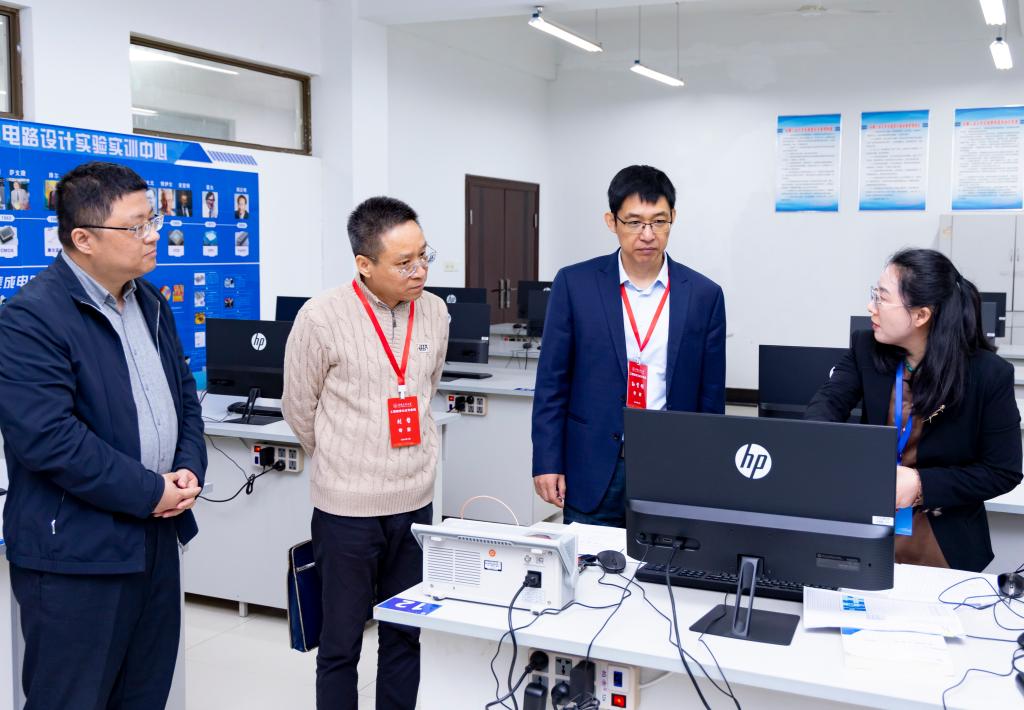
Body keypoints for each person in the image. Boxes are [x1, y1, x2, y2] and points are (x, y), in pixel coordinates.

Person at [0, 161, 206, 708]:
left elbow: (184, 397)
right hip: (76, 554)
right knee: (73, 698)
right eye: (136, 226)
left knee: (145, 692)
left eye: (153, 220)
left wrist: (189, 467)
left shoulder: (150, 301)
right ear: (83, 239)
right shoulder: (30, 318)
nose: (153, 234)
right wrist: (151, 491)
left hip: (155, 540)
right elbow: (50, 439)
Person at [282, 196, 448, 710]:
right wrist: (342, 458)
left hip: (415, 501)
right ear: (364, 264)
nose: (420, 271)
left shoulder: (435, 312)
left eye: (424, 256)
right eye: (404, 262)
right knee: (341, 641)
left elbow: (426, 387)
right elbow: (299, 406)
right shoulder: (320, 317)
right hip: (347, 510)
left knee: (405, 634)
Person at [531, 165, 726, 527]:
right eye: (634, 222)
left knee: (667, 558)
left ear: (673, 218)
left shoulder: (704, 295)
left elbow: (710, 397)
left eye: (659, 222)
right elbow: (551, 384)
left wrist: (708, 470)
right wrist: (546, 460)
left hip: (672, 464)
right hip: (592, 464)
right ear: (612, 221)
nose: (647, 234)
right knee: (588, 560)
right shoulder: (575, 284)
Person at [805, 248, 1022, 572]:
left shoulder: (987, 374)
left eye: (882, 298)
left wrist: (920, 484)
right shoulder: (865, 348)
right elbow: (825, 407)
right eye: (874, 294)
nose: (871, 307)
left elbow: (1002, 471)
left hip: (943, 543)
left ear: (921, 315)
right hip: (867, 530)